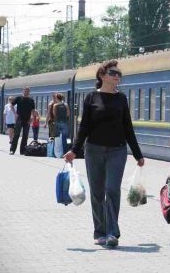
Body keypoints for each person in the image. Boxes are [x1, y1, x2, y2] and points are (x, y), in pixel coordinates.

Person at [63, 59, 144, 248]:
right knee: (98, 193)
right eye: (113, 73)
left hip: (117, 150)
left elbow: (127, 127)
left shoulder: (121, 98)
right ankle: (100, 231)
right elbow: (84, 127)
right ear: (102, 76)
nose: (117, 76)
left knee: (112, 189)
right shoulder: (91, 98)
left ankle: (112, 232)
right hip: (94, 150)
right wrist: (75, 150)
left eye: (119, 74)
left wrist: (138, 154)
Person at [9, 87, 36, 155]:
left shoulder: (31, 100)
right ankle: (12, 150)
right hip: (19, 119)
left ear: (29, 92)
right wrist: (15, 113)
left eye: (27, 91)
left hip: (27, 119)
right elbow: (11, 105)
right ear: (23, 91)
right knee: (16, 135)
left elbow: (33, 110)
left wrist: (32, 117)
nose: (26, 92)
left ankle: (23, 151)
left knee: (25, 136)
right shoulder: (18, 98)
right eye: (25, 91)